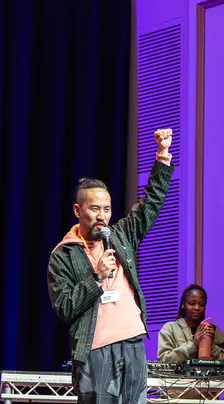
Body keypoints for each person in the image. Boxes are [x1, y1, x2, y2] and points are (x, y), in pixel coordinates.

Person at [47, 129, 175, 404]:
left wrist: (162, 156)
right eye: (95, 209)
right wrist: (96, 277)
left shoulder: (120, 236)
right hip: (96, 350)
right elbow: (64, 308)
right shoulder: (63, 254)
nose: (102, 216)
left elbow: (151, 204)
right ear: (78, 211)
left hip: (133, 343)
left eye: (106, 209)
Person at [157, 284, 224, 363]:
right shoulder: (170, 328)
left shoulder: (213, 330)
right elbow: (164, 359)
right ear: (183, 304)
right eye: (192, 303)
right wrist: (193, 345)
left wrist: (211, 345)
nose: (197, 308)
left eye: (201, 304)